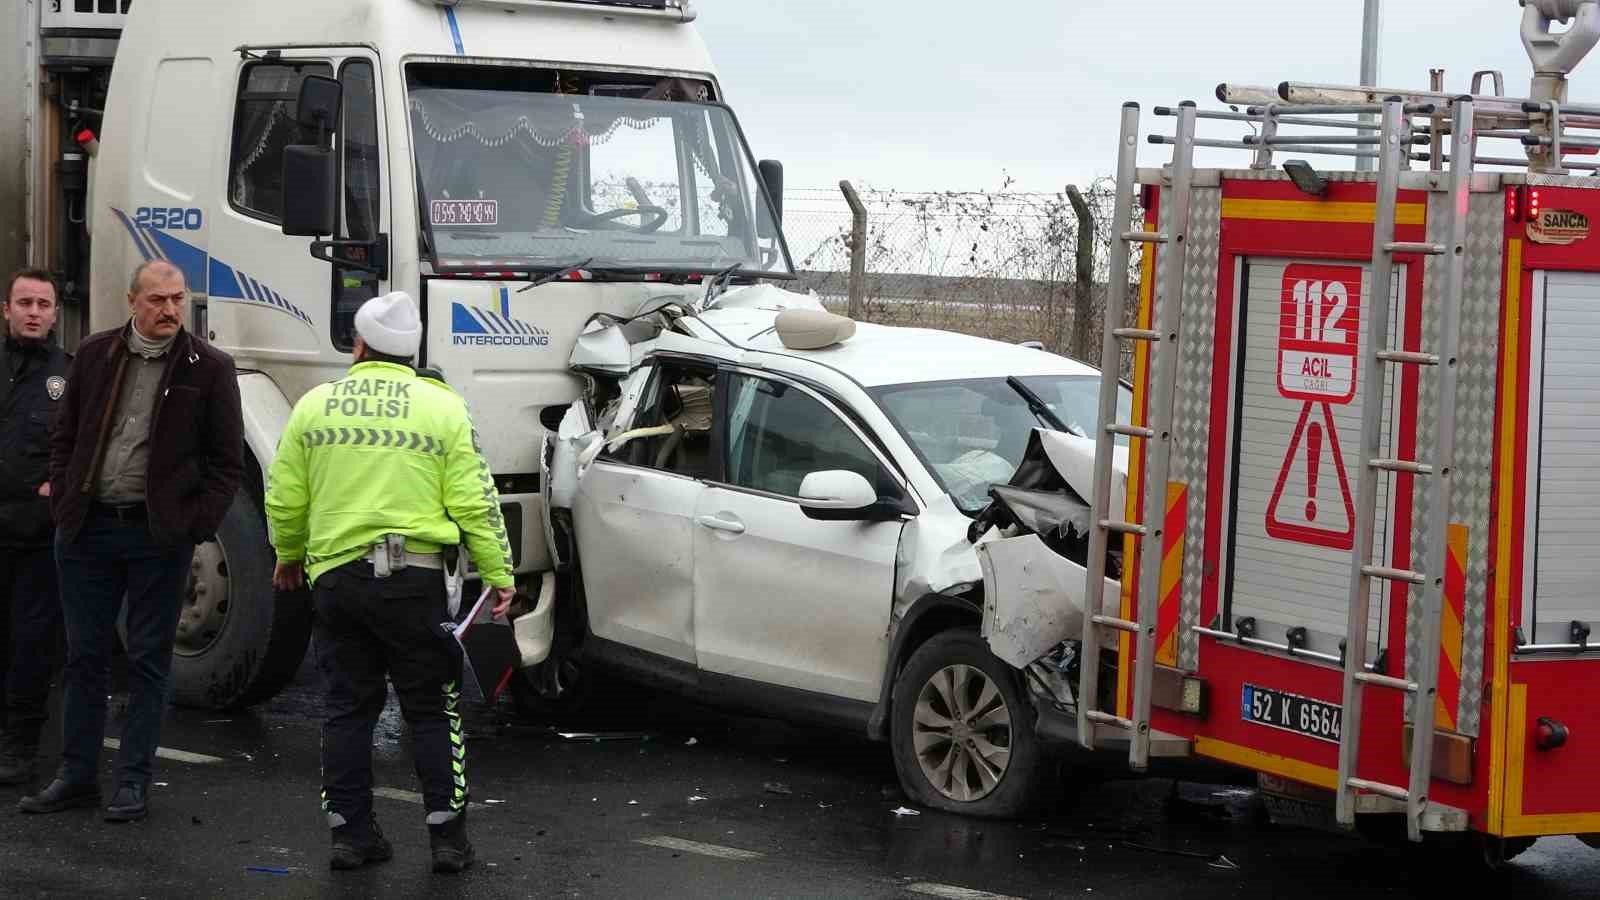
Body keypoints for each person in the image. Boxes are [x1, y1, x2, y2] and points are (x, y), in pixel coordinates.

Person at [265, 291, 514, 873]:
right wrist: (500, 576)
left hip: (336, 580)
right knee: (432, 707)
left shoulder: (316, 405)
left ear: (359, 344)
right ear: (412, 351)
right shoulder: (442, 408)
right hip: (413, 582)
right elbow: (476, 502)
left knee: (348, 706)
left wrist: (288, 555)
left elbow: (283, 493)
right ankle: (448, 840)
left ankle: (352, 835)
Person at [21, 259, 243, 822]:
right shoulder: (96, 354)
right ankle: (76, 776)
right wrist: (67, 497)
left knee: (148, 661)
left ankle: (133, 781)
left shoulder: (209, 367)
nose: (170, 309)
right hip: (87, 529)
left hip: (156, 536)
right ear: (132, 301)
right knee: (84, 658)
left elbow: (226, 464)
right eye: (158, 300)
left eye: (177, 298)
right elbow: (65, 433)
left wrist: (192, 525)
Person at [0, 269, 70, 786]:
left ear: (54, 313)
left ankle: (20, 748)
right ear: (5, 310)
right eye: (23, 302)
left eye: (42, 304)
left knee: (31, 644)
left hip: (37, 537)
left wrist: (62, 486)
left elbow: (88, 443)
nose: (33, 311)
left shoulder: (69, 375)